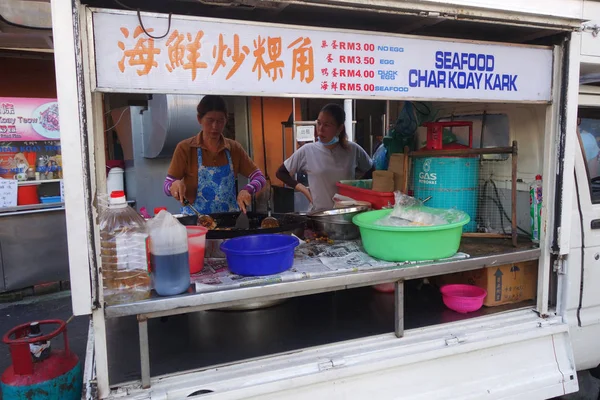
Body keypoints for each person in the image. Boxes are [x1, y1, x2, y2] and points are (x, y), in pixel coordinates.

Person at [164, 95, 266, 214]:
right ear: (199, 119)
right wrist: (173, 186)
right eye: (210, 120)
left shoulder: (234, 148)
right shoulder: (185, 148)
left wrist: (248, 189)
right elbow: (166, 186)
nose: (215, 126)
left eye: (220, 121)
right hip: (195, 221)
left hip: (229, 221)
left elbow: (260, 178)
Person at [276, 103, 373, 211]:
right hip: (319, 215)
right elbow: (281, 173)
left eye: (327, 125)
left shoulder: (353, 150)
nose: (320, 129)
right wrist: (304, 190)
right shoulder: (307, 150)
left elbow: (372, 171)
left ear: (339, 128)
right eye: (319, 123)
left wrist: (357, 187)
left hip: (346, 215)